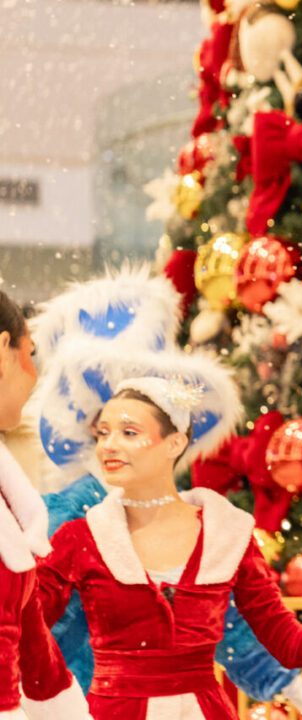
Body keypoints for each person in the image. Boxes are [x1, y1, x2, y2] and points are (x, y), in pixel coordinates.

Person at [27, 267, 302, 719]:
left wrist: (283, 681)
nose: (114, 441)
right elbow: (22, 619)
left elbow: (218, 616)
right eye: (107, 429)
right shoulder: (65, 520)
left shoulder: (195, 522)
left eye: (132, 427)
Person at [0, 289, 90, 719]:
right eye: (30, 353)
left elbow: (36, 657)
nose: (34, 374)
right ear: (3, 349)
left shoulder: (14, 502)